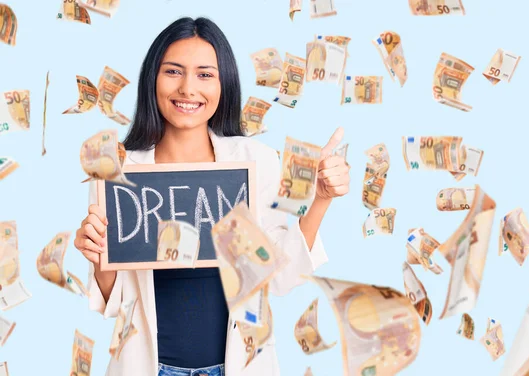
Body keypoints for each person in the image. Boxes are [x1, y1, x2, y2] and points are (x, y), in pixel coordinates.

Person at [73, 16, 350, 376]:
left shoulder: (256, 162)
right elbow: (117, 299)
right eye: (173, 71)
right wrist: (99, 257)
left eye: (205, 74)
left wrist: (322, 199)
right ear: (152, 79)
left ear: (225, 84)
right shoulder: (119, 171)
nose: (188, 88)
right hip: (148, 367)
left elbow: (280, 278)